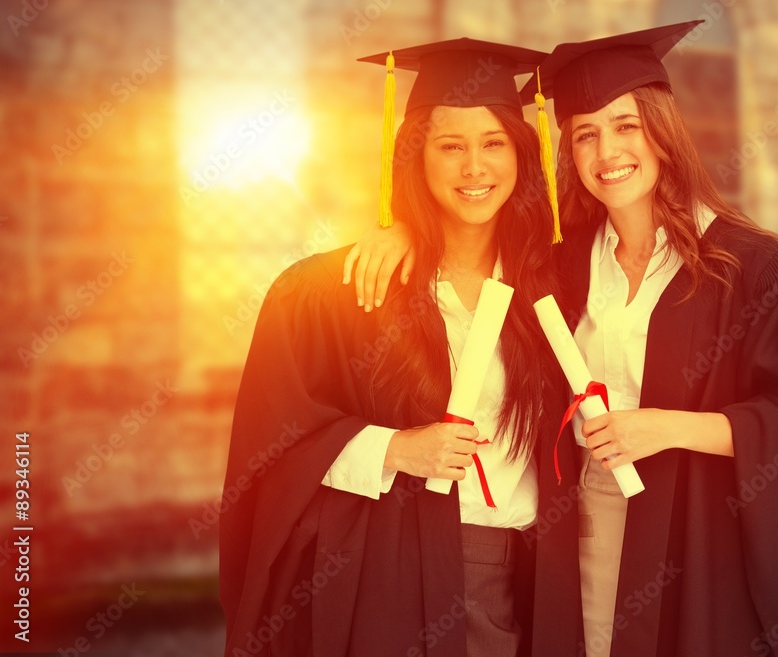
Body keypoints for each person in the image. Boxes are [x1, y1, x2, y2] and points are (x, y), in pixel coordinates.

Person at [346, 22, 778, 657]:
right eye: (585, 134)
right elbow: (470, 251)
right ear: (567, 154)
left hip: (703, 548)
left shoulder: (763, 276)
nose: (607, 152)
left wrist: (673, 428)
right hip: (583, 542)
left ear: (663, 131)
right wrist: (403, 232)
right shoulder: (562, 267)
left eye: (626, 126)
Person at [219, 38, 582, 657]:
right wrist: (395, 448)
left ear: (522, 155)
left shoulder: (557, 283)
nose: (475, 168)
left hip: (531, 577)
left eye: (494, 143)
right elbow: (270, 452)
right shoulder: (335, 292)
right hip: (394, 578)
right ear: (415, 156)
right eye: (450, 146)